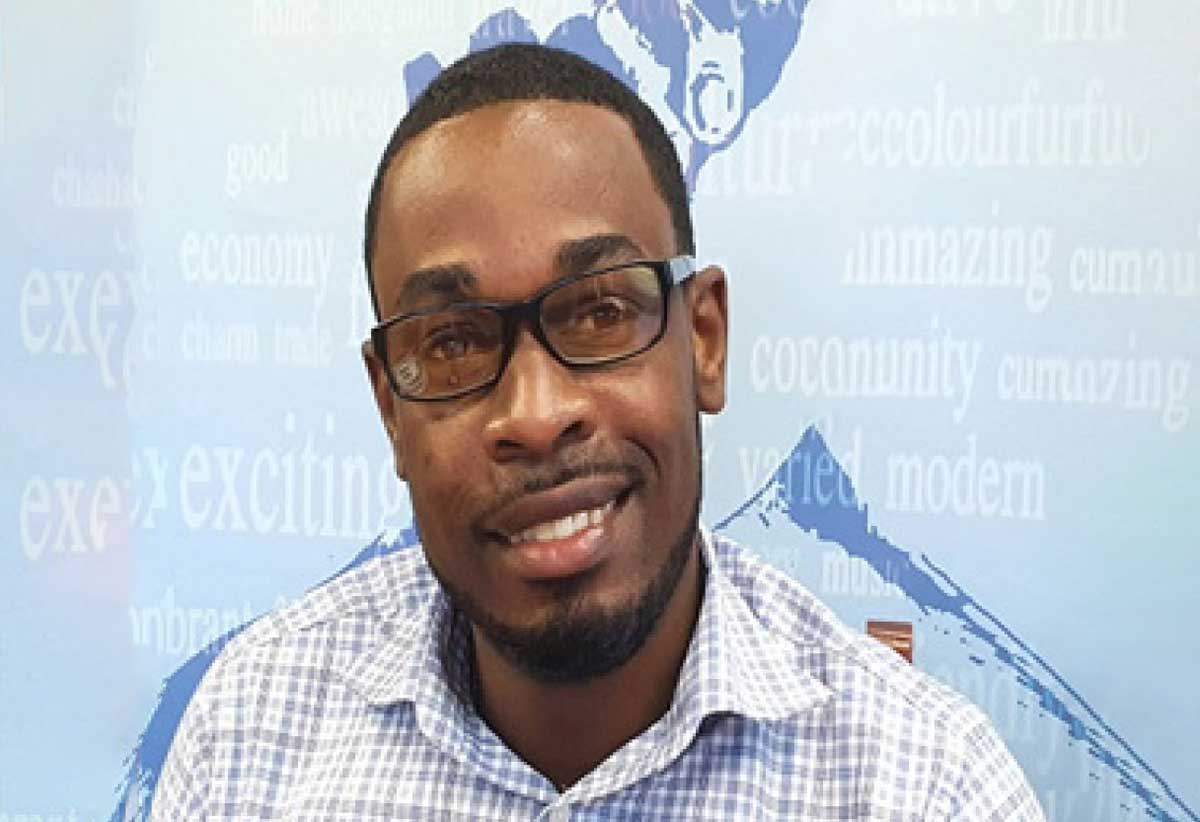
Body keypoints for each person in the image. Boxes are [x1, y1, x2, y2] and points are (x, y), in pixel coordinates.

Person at [151, 44, 1045, 820]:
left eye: (601, 312)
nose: (537, 415)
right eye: (453, 342)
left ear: (703, 341)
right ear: (391, 409)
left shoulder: (923, 787)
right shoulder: (251, 738)